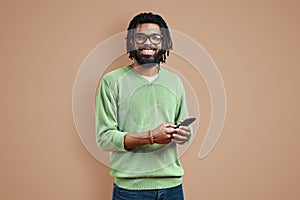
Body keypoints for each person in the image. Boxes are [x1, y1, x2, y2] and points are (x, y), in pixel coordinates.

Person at [95, 12, 192, 200]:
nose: (148, 43)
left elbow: (184, 127)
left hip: (173, 187)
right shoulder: (111, 81)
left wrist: (185, 135)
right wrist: (151, 137)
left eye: (156, 37)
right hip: (130, 190)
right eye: (141, 37)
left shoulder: (175, 81)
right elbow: (105, 138)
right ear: (131, 42)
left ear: (164, 42)